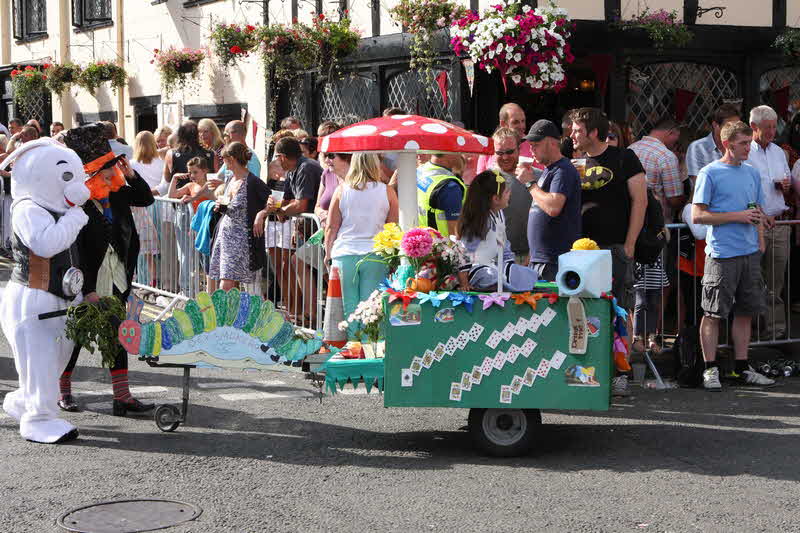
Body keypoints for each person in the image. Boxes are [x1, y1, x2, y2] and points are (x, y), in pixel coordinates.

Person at [59, 123, 157, 415]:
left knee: (118, 333)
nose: (115, 172)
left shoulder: (118, 193)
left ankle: (122, 397)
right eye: (110, 169)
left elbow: (146, 198)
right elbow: (74, 249)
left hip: (117, 276)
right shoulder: (78, 203)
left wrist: (131, 175)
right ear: (93, 173)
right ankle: (62, 392)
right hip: (89, 279)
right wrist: (86, 289)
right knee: (75, 338)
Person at [0, 137, 90, 443]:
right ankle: (38, 419)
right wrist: (76, 218)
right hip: (33, 300)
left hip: (57, 299)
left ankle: (25, 401)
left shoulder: (54, 209)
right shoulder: (28, 208)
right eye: (67, 177)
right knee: (39, 360)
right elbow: (45, 244)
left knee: (54, 362)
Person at [692, 121, 775, 390]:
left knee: (745, 312)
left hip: (749, 252)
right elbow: (698, 215)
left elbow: (755, 207)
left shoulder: (751, 173)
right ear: (728, 144)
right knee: (713, 313)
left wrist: (761, 232)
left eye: (749, 143)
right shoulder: (710, 173)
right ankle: (710, 369)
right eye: (743, 143)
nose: (748, 148)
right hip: (721, 253)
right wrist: (737, 216)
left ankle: (742, 368)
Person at [571, 108, 647, 397]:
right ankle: (587, 370)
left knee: (619, 308)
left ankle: (621, 371)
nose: (572, 135)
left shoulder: (624, 158)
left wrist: (629, 244)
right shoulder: (573, 158)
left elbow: (639, 201)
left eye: (577, 130)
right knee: (582, 308)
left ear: (592, 132)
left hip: (615, 247)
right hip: (580, 251)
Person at [324, 153, 398, 340]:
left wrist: (327, 252)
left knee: (350, 308)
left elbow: (332, 227)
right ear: (375, 165)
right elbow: (393, 228)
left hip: (345, 253)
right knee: (371, 307)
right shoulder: (387, 191)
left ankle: (352, 348)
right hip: (375, 254)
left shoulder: (342, 190)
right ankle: (369, 349)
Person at [748, 105, 792, 340]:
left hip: (780, 224)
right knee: (751, 279)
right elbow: (744, 191)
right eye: (768, 127)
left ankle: (776, 331)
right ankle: (752, 328)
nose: (772, 131)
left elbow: (785, 181)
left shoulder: (778, 152)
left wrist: (785, 186)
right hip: (753, 224)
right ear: (754, 127)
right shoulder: (745, 152)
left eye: (775, 127)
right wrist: (761, 214)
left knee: (776, 280)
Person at [518, 119, 581, 281]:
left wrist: (530, 184)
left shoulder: (562, 169)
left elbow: (553, 207)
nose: (531, 149)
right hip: (541, 261)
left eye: (536, 144)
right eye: (530, 145)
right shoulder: (550, 170)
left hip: (554, 262)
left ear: (552, 143)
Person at [266, 137, 322, 320]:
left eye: (276, 157)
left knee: (312, 266)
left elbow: (300, 205)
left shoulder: (305, 167)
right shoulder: (292, 171)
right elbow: (287, 201)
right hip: (305, 227)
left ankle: (312, 313)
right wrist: (275, 207)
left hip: (318, 227)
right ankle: (307, 312)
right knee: (296, 262)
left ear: (282, 156)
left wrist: (282, 210)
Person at [457, 170, 538, 292]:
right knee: (492, 276)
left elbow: (503, 245)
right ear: (495, 198)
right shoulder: (479, 220)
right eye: (506, 192)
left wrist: (512, 267)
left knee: (526, 274)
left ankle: (506, 282)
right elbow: (463, 252)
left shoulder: (499, 214)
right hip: (477, 269)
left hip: (495, 265)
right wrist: (464, 283)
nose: (509, 194)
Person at [209, 142, 271, 290]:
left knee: (227, 280)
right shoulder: (231, 179)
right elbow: (230, 205)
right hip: (226, 236)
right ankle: (232, 312)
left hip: (241, 239)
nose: (223, 163)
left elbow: (272, 201)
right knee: (229, 279)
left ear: (231, 159)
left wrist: (261, 215)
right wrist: (221, 206)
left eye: (224, 159)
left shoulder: (253, 182)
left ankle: (223, 313)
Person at [162, 121, 215, 294]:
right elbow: (214, 177)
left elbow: (167, 178)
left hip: (185, 209)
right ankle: (202, 290)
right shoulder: (209, 153)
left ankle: (188, 291)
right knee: (205, 253)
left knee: (186, 252)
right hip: (203, 209)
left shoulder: (173, 154)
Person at [490, 127, 531, 263]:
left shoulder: (535, 175)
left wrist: (533, 253)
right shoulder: (486, 181)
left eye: (509, 152)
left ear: (519, 149)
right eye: (499, 153)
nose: (505, 157)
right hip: (498, 258)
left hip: (531, 255)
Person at [131, 131, 164, 286]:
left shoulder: (132, 164)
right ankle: (159, 279)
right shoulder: (161, 162)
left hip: (140, 207)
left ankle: (144, 280)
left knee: (143, 246)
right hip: (160, 205)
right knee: (159, 244)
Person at [417, 153, 466, 237]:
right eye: (457, 151)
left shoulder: (420, 170)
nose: (460, 154)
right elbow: (454, 233)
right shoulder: (450, 187)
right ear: (449, 155)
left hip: (420, 242)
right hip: (442, 246)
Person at [476, 103, 534, 173]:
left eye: (523, 121)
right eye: (515, 122)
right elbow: (480, 180)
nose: (522, 126)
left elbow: (542, 178)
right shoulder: (488, 147)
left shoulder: (533, 145)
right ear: (503, 124)